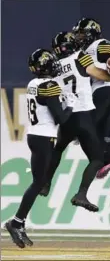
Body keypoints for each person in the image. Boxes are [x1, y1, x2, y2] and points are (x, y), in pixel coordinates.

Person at [5, 49, 77, 248]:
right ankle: (16, 222)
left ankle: (18, 222)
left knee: (39, 182)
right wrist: (69, 104)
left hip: (35, 135)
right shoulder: (49, 85)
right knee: (38, 183)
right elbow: (61, 118)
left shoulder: (33, 83)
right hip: (44, 137)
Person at [40, 32, 110, 210]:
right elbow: (99, 74)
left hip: (67, 116)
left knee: (58, 149)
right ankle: (81, 194)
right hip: (84, 114)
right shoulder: (80, 56)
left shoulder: (54, 66)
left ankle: (45, 183)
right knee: (96, 159)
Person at [72, 18, 110, 198]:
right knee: (102, 138)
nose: (79, 36)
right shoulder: (81, 51)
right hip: (105, 96)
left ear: (91, 32)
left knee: (89, 132)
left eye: (82, 32)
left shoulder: (100, 43)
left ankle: (108, 160)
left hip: (104, 94)